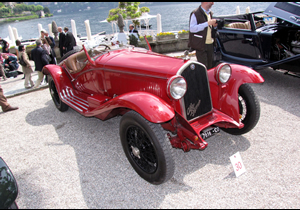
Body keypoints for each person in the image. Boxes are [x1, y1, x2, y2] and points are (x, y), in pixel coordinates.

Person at [188, 2, 218, 69]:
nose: (213, 3)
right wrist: (207, 23)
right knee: (203, 67)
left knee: (210, 67)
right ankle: (202, 79)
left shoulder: (210, 13)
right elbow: (192, 29)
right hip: (201, 44)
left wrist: (214, 26)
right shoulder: (195, 13)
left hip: (210, 43)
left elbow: (209, 28)